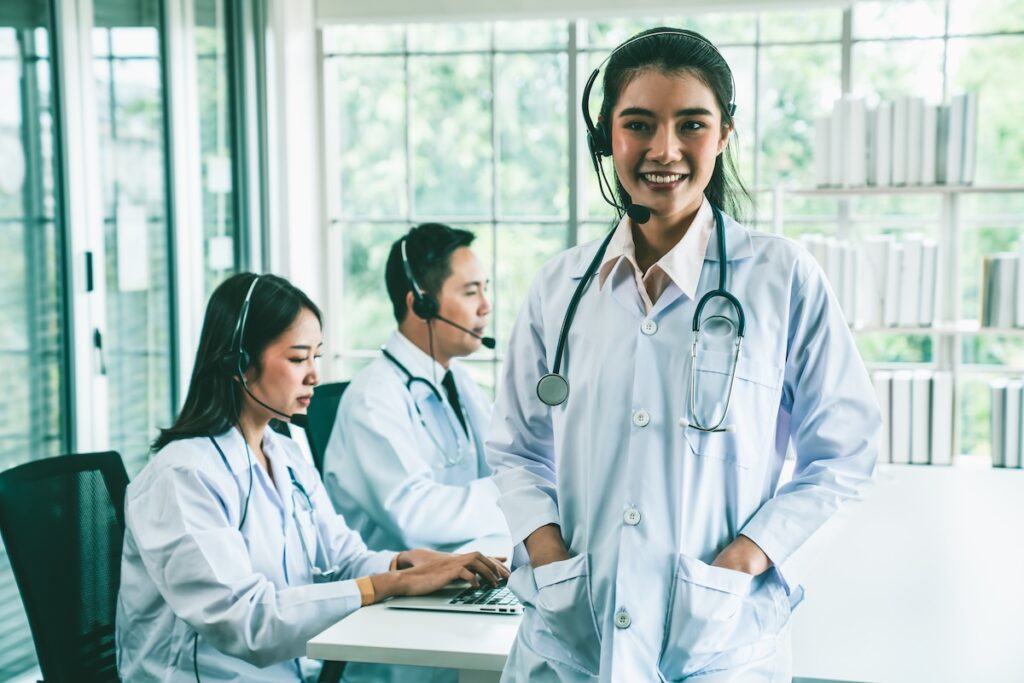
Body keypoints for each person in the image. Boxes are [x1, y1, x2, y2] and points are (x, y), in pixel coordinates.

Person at [486, 28, 880, 682]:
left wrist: (746, 557)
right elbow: (516, 447)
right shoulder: (560, 287)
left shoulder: (781, 277)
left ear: (724, 133)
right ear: (606, 137)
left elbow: (845, 452)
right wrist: (548, 551)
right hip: (569, 644)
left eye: (690, 124)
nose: (662, 150)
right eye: (638, 124)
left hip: (716, 647)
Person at [116, 272, 508, 682]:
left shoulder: (284, 453)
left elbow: (342, 559)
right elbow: (245, 622)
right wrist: (391, 583)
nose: (314, 376)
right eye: (297, 358)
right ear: (239, 363)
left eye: (316, 357)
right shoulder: (182, 476)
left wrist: (405, 563)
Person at [323, 223, 507, 553]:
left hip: (459, 572)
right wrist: (517, 494)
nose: (485, 306)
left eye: (486, 289)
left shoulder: (457, 380)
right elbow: (415, 517)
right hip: (392, 596)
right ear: (421, 304)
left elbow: (503, 458)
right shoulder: (373, 399)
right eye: (470, 292)